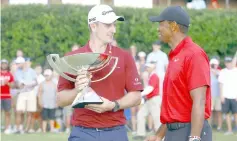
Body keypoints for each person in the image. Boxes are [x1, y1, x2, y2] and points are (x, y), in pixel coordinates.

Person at [56, 4, 143, 141]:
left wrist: (114, 105)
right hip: (83, 132)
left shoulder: (124, 56)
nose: (113, 30)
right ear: (93, 26)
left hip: (116, 132)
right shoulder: (73, 58)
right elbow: (60, 100)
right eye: (108, 25)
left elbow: (137, 96)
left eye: (114, 25)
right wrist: (77, 90)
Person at [146, 6, 212, 141]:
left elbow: (199, 101)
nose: (158, 29)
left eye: (161, 24)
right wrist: (159, 135)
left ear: (173, 26)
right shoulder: (175, 56)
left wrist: (194, 137)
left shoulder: (194, 54)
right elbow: (175, 108)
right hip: (175, 132)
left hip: (190, 131)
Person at [134, 61, 162, 140]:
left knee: (156, 118)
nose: (147, 68)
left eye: (148, 67)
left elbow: (150, 88)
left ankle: (160, 136)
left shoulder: (154, 76)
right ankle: (141, 133)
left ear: (153, 67)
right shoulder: (152, 76)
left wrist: (140, 94)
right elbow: (149, 88)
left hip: (154, 99)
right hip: (150, 100)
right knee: (140, 114)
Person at [218, 56, 237, 135]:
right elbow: (221, 84)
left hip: (234, 96)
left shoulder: (236, 71)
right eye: (227, 62)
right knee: (227, 114)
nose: (228, 64)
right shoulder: (222, 72)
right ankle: (229, 130)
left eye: (229, 62)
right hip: (225, 96)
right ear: (225, 63)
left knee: (236, 114)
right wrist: (221, 95)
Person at [0, 59, 15, 134]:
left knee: (7, 113)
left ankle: (7, 128)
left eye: (5, 64)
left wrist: (7, 83)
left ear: (7, 65)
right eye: (2, 64)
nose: (3, 65)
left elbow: (12, 85)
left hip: (7, 96)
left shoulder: (10, 74)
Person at [209, 58, 222, 131]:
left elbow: (218, 74)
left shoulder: (220, 72)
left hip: (218, 95)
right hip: (210, 95)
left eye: (215, 64)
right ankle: (210, 125)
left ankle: (219, 126)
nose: (214, 66)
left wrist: (213, 69)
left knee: (218, 111)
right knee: (210, 112)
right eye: (213, 64)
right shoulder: (208, 71)